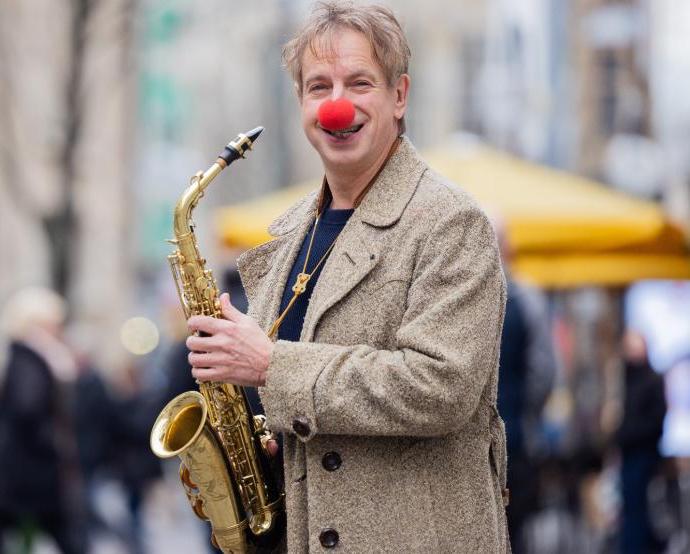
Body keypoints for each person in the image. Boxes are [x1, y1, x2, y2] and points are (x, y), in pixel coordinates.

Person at [184, 2, 509, 551]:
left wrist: (270, 364)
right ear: (300, 103)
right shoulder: (290, 235)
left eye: (359, 83)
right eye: (319, 87)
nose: (337, 106)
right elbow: (313, 411)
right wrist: (256, 449)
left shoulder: (453, 223)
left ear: (399, 95)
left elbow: (441, 387)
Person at [0, 287, 85, 554]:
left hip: (19, 473)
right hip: (31, 473)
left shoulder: (21, 359)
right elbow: (27, 408)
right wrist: (52, 441)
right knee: (67, 535)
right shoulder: (31, 360)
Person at [490, 214, 557, 553]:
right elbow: (544, 372)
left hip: (474, 446)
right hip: (515, 439)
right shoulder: (528, 299)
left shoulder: (459, 300)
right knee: (515, 536)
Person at [616, 330, 667, 553]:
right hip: (627, 454)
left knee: (639, 510)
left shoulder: (652, 380)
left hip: (643, 454)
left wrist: (628, 434)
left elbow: (655, 421)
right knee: (629, 508)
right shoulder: (623, 380)